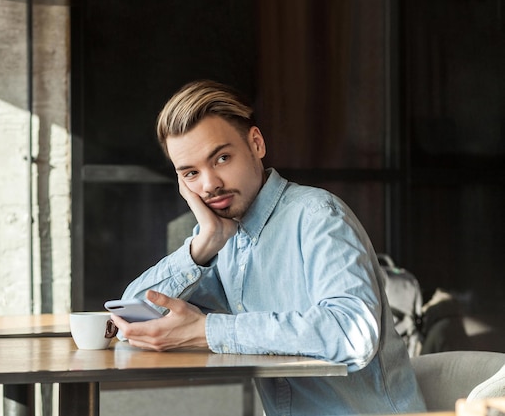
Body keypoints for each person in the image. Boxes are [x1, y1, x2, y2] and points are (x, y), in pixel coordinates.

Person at [109, 80, 426, 415]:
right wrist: (203, 244)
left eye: (222, 158)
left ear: (256, 144)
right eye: (190, 173)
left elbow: (350, 334)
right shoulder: (223, 240)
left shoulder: (317, 216)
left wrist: (208, 330)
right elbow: (132, 315)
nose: (209, 184)